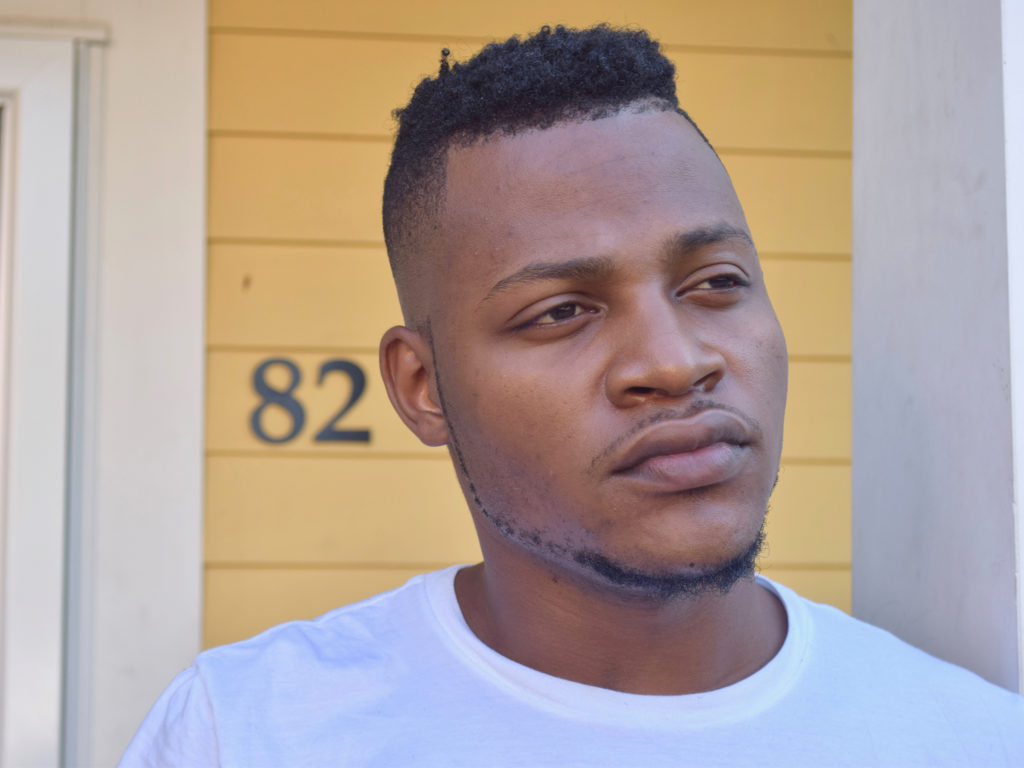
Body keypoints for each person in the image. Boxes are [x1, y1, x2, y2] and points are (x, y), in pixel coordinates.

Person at [121, 24, 1024, 766]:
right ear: (422, 386)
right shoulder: (247, 734)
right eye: (561, 311)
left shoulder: (970, 741)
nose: (674, 364)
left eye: (713, 282)